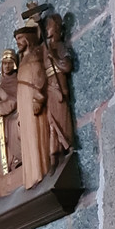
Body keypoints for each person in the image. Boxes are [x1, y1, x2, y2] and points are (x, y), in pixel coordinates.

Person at [14, 23, 50, 189]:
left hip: (33, 100)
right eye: (17, 40)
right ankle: (30, 176)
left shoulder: (36, 55)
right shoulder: (23, 61)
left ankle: (40, 171)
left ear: (28, 40)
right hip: (24, 102)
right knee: (27, 137)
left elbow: (40, 77)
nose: (18, 43)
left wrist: (38, 99)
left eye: (20, 39)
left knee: (36, 135)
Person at [42, 13, 74, 160]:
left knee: (61, 118)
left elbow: (66, 66)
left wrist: (53, 57)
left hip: (58, 87)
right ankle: (54, 153)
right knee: (51, 121)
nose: (47, 29)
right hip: (49, 88)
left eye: (49, 26)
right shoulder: (47, 48)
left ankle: (67, 145)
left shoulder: (59, 46)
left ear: (55, 29)